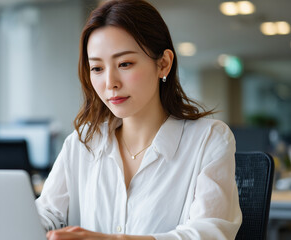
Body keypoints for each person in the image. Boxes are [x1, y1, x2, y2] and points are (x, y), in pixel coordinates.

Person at [36, 0, 242, 239]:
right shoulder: (82, 142)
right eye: (97, 68)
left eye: (125, 64)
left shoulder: (208, 139)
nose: (110, 82)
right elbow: (46, 214)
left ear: (163, 64)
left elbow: (209, 233)